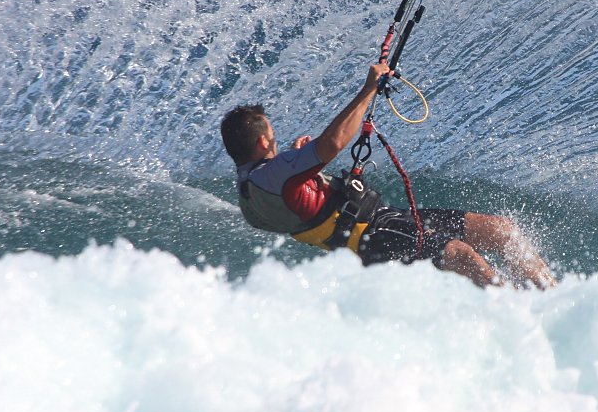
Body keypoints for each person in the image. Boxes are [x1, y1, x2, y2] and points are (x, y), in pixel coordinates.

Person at [220, 61, 557, 289]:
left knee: (502, 230)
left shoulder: (251, 192)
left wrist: (298, 163)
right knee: (461, 255)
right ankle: (515, 314)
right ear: (263, 141)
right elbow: (333, 143)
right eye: (273, 137)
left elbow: (295, 203)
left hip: (380, 223)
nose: (276, 142)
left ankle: (550, 296)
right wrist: (369, 88)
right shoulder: (277, 173)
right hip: (372, 236)